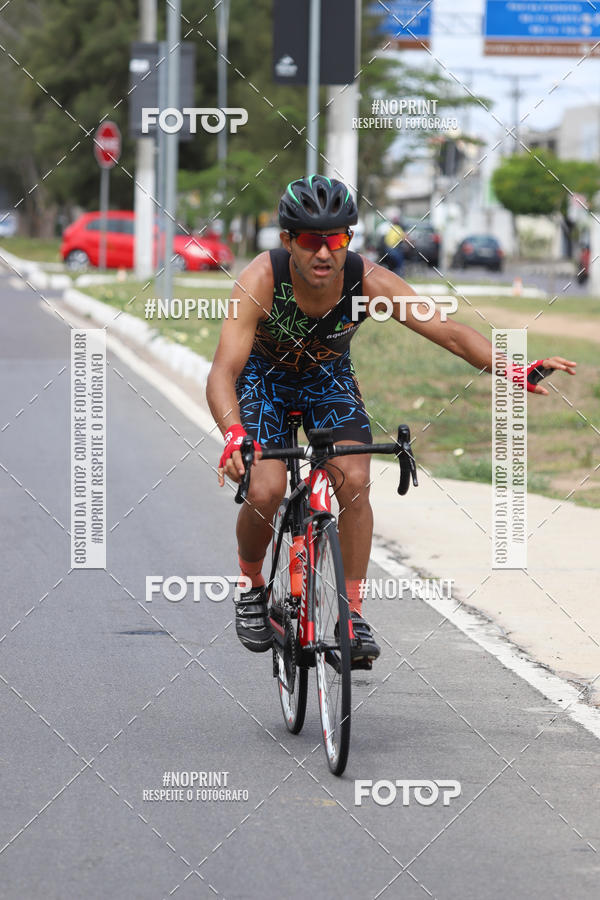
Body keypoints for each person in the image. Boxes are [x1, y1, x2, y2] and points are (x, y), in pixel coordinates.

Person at [206, 174, 576, 666]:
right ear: (287, 240)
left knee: (354, 479)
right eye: (312, 240)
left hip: (328, 382)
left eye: (337, 239)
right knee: (266, 488)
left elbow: (447, 332)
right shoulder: (261, 279)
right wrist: (234, 436)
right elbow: (222, 372)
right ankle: (252, 584)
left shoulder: (367, 281)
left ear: (350, 238)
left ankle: (353, 615)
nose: (325, 252)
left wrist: (514, 369)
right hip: (263, 384)